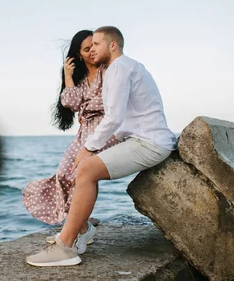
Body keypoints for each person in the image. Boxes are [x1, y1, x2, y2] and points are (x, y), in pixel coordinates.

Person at [26, 26, 177, 267]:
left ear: (113, 45)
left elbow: (113, 117)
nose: (92, 49)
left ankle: (65, 246)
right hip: (145, 140)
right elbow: (91, 107)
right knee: (82, 171)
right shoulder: (127, 66)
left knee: (85, 170)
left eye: (96, 44)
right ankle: (72, 237)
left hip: (147, 143)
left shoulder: (117, 69)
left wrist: (88, 148)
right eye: (89, 46)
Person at [22, 30, 118, 233]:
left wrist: (86, 107)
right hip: (84, 134)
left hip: (106, 132)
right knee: (63, 173)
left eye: (94, 46)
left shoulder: (108, 70)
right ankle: (81, 226)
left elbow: (108, 103)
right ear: (79, 55)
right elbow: (71, 103)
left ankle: (77, 230)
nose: (92, 51)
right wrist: (68, 75)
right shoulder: (81, 80)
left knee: (80, 172)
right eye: (86, 49)